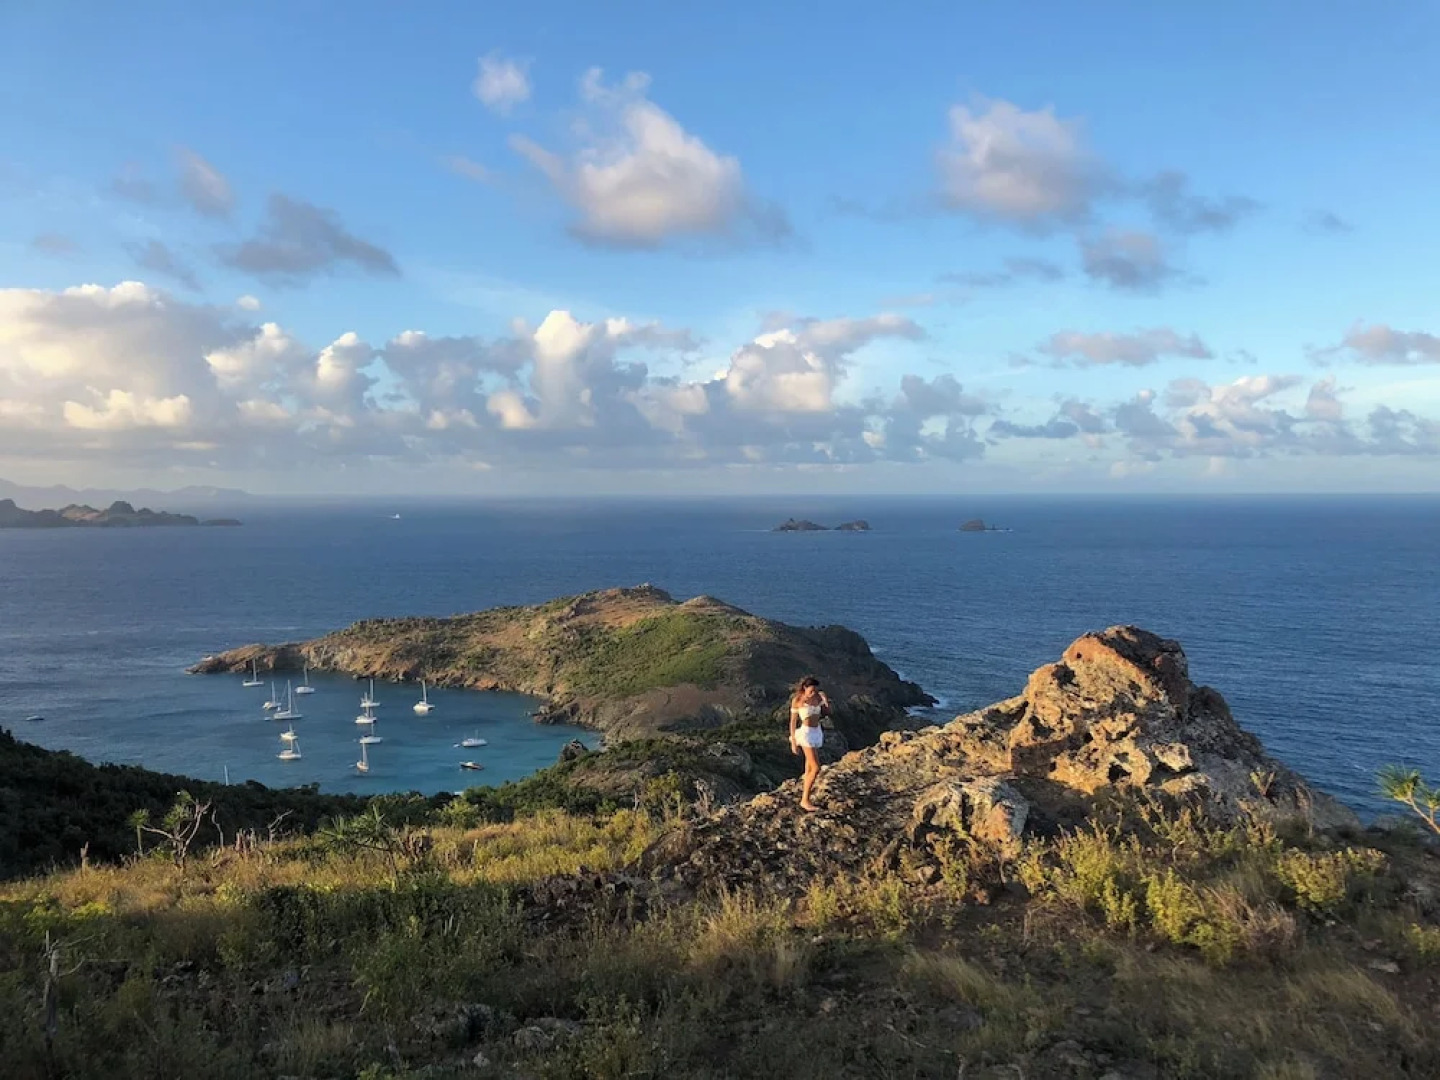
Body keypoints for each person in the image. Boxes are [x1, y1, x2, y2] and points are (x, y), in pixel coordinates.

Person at [788, 675, 830, 812]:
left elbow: (827, 713)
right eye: (811, 690)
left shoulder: (818, 697)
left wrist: (825, 701)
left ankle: (806, 796)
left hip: (816, 731)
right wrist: (793, 740)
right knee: (816, 767)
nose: (813, 693)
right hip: (805, 733)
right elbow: (793, 722)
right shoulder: (798, 700)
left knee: (809, 769)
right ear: (805, 688)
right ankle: (805, 800)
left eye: (815, 690)